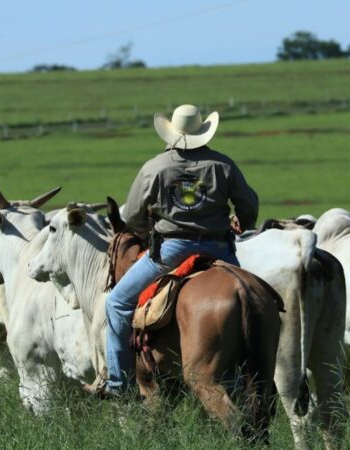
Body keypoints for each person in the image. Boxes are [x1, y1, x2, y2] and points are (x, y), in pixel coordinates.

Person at [101, 104, 259, 397]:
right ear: (202, 131)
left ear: (171, 133)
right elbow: (249, 205)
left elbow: (134, 215)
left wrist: (148, 232)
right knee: (254, 299)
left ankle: (118, 386)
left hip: (171, 251)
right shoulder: (223, 165)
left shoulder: (154, 167)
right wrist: (243, 221)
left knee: (117, 304)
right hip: (220, 251)